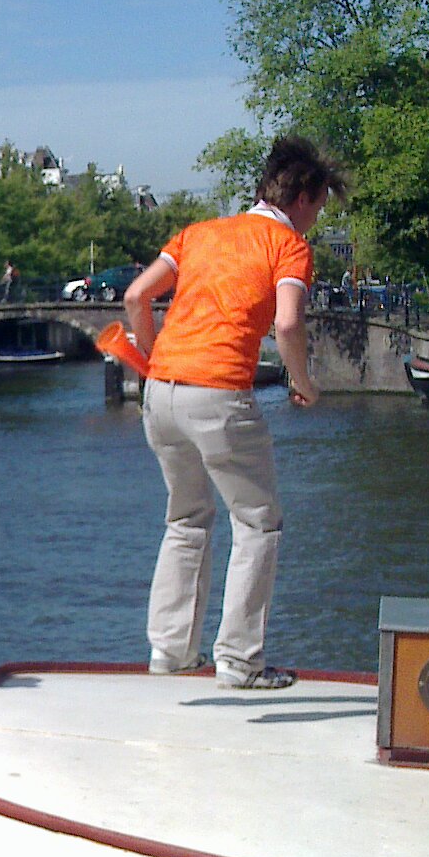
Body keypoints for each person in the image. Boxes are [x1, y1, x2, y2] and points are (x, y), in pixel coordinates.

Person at [121, 135, 343, 691]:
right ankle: (240, 662)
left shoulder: (198, 233)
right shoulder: (288, 246)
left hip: (162, 393)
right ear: (302, 198)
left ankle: (170, 652)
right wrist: (303, 384)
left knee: (186, 519)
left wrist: (152, 357)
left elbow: (136, 297)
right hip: (219, 392)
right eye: (318, 208)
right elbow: (287, 324)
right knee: (258, 522)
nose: (315, 220)